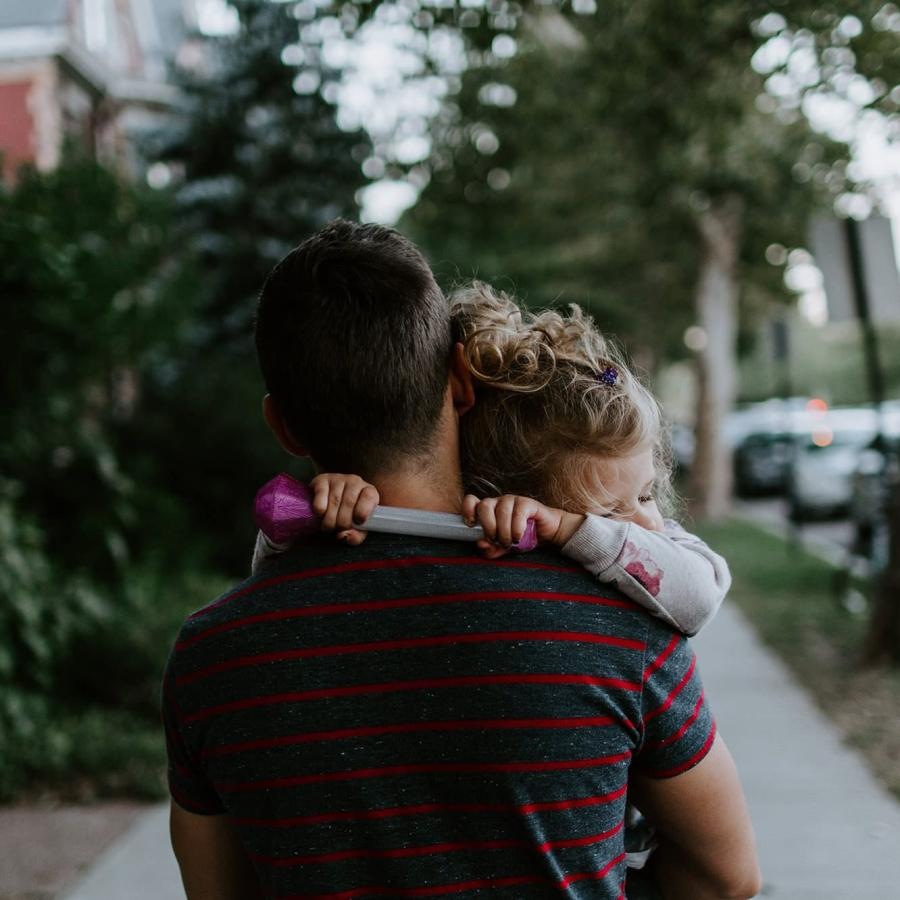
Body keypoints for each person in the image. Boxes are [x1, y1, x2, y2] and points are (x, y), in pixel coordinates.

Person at [162, 220, 761, 900]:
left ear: (283, 425)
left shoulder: (212, 656)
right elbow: (725, 877)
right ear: (459, 379)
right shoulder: (619, 619)